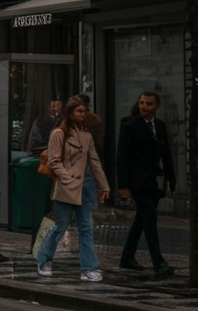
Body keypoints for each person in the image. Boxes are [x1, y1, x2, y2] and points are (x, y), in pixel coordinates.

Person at [36, 96, 110, 280]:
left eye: (84, 111)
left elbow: (94, 161)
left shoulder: (86, 135)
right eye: (79, 111)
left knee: (86, 227)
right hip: (67, 186)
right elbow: (54, 161)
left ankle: (88, 268)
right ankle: (44, 259)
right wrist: (67, 178)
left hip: (84, 186)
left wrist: (104, 186)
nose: (83, 114)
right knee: (61, 225)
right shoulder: (58, 134)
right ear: (70, 113)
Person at [116, 91, 177, 278]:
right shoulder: (130, 126)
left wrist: (171, 178)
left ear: (156, 106)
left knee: (141, 220)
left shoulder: (159, 126)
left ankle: (127, 257)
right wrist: (123, 185)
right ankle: (158, 262)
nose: (144, 106)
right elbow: (122, 157)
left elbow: (166, 153)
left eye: (148, 103)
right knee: (150, 218)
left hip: (153, 181)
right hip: (137, 181)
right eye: (141, 103)